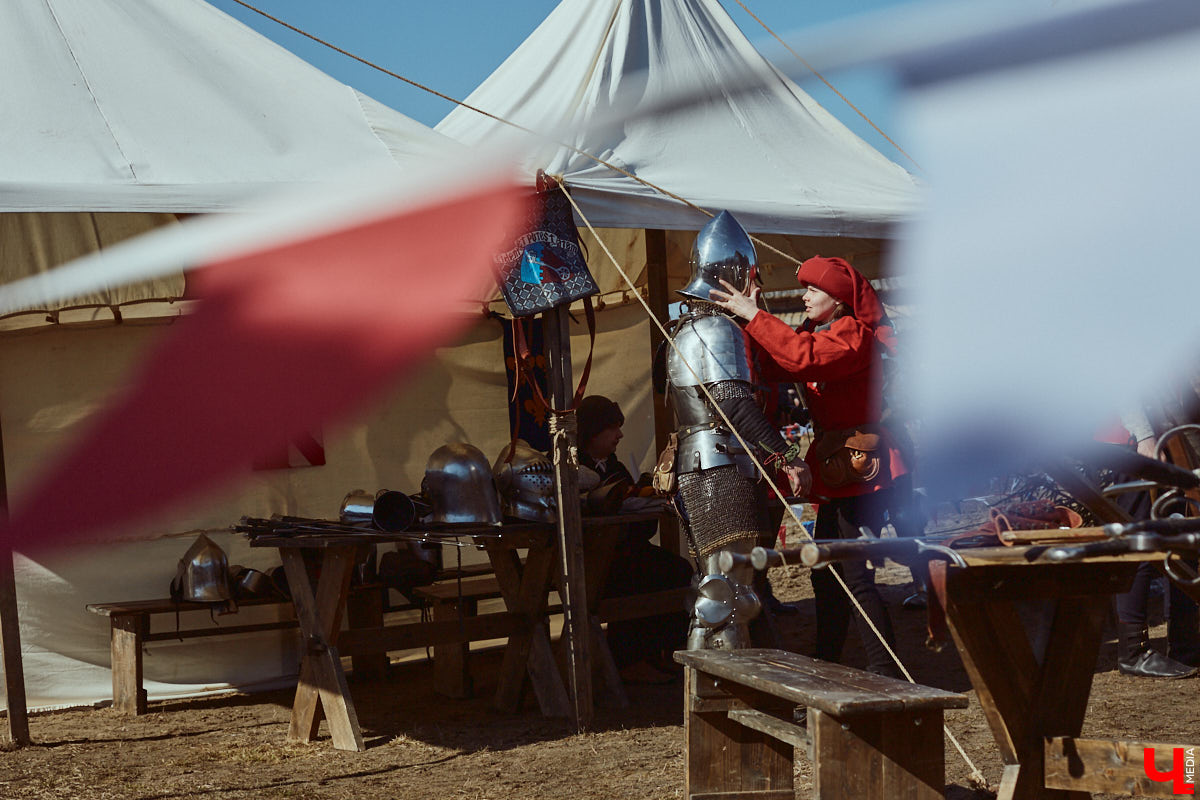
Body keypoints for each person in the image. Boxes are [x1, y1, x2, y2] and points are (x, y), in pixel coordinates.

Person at [710, 254, 908, 678]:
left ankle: (886, 672)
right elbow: (773, 363)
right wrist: (743, 321)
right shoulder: (820, 330)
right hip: (840, 467)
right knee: (827, 573)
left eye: (812, 290)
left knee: (852, 574)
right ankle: (828, 664)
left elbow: (803, 358)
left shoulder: (852, 333)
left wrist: (753, 313)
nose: (803, 296)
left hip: (859, 467)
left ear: (837, 299)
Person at [663, 211, 811, 652]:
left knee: (727, 589)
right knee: (723, 592)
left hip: (710, 463)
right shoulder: (716, 329)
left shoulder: (684, 327)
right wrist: (788, 457)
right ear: (730, 277)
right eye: (752, 278)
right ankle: (713, 697)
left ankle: (729, 691)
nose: (760, 289)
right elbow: (733, 407)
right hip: (720, 465)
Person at [576, 394, 694, 683]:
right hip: (592, 560)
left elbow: (642, 531)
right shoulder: (571, 470)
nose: (620, 435)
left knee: (679, 571)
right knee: (631, 580)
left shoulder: (615, 469)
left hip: (628, 552)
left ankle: (660, 653)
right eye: (611, 428)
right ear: (592, 432)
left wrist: (646, 500)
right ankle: (628, 662)